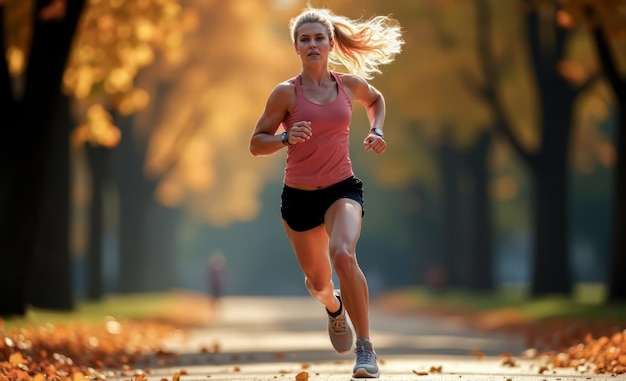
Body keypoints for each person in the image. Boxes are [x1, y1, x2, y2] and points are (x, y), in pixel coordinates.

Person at [249, 5, 403, 379]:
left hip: (341, 189)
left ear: (331, 44)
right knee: (318, 282)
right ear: (296, 48)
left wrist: (377, 130)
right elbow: (256, 143)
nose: (313, 44)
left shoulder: (348, 86)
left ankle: (366, 351)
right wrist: (285, 137)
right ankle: (334, 308)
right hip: (299, 198)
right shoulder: (285, 94)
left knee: (343, 254)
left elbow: (376, 100)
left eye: (319, 38)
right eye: (305, 40)